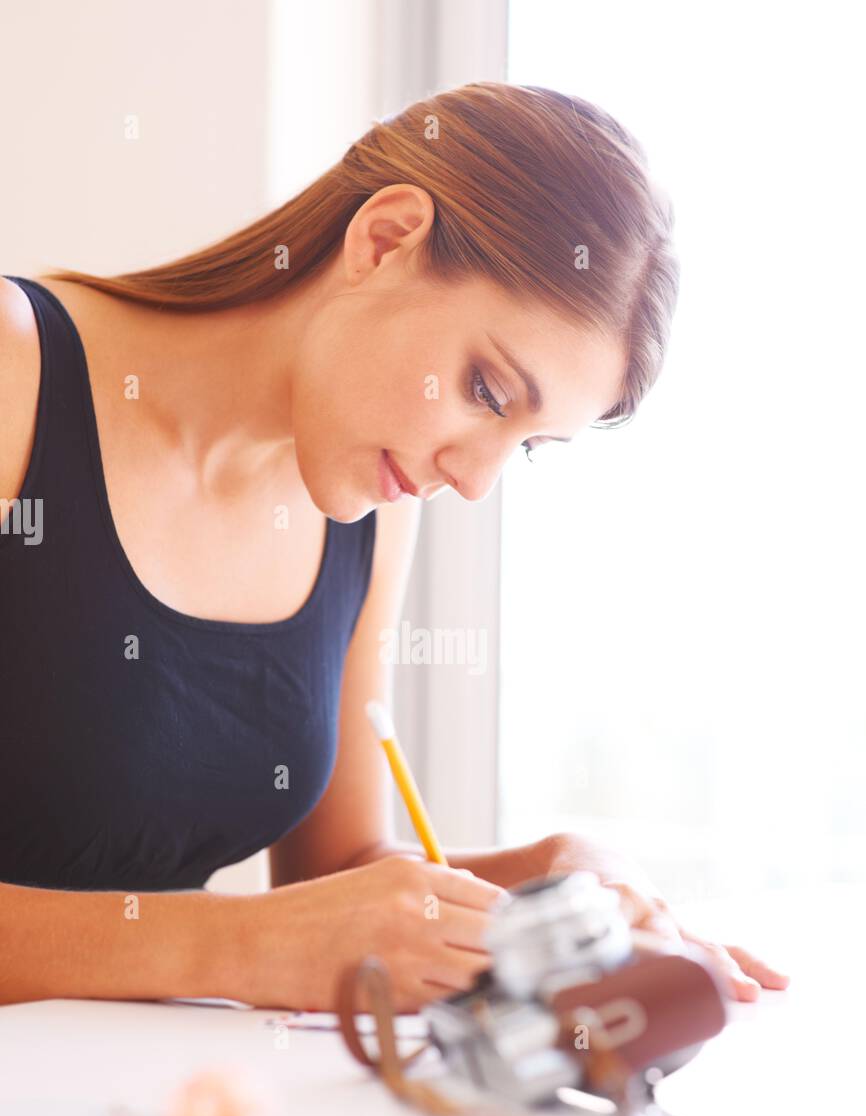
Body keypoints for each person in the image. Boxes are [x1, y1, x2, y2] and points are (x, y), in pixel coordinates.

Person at [0, 81, 788, 1009]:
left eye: (524, 446)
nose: (474, 478)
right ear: (384, 240)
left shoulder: (373, 500)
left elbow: (332, 881)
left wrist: (555, 879)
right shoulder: (17, 376)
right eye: (488, 392)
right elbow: (277, 937)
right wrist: (237, 950)